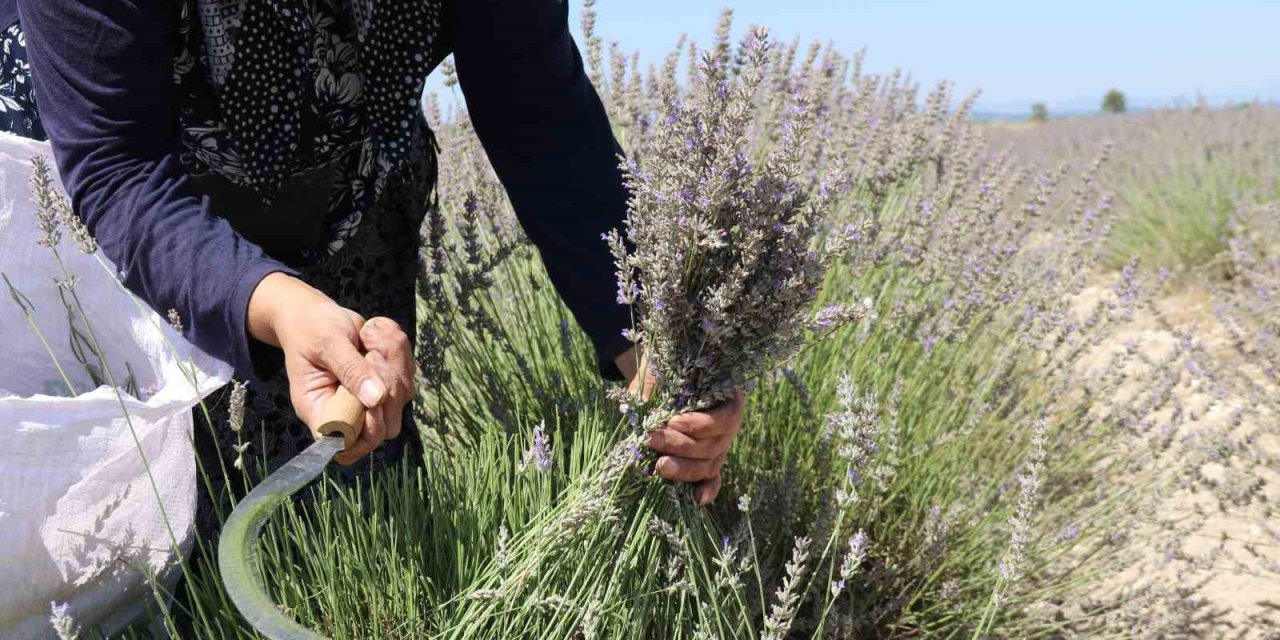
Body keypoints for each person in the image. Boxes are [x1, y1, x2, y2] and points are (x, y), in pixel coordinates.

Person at [2, 0, 743, 523]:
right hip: (85, 209)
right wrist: (273, 301)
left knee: (342, 515)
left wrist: (652, 341)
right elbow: (114, 165)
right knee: (106, 528)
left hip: (342, 179)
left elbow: (542, 116)